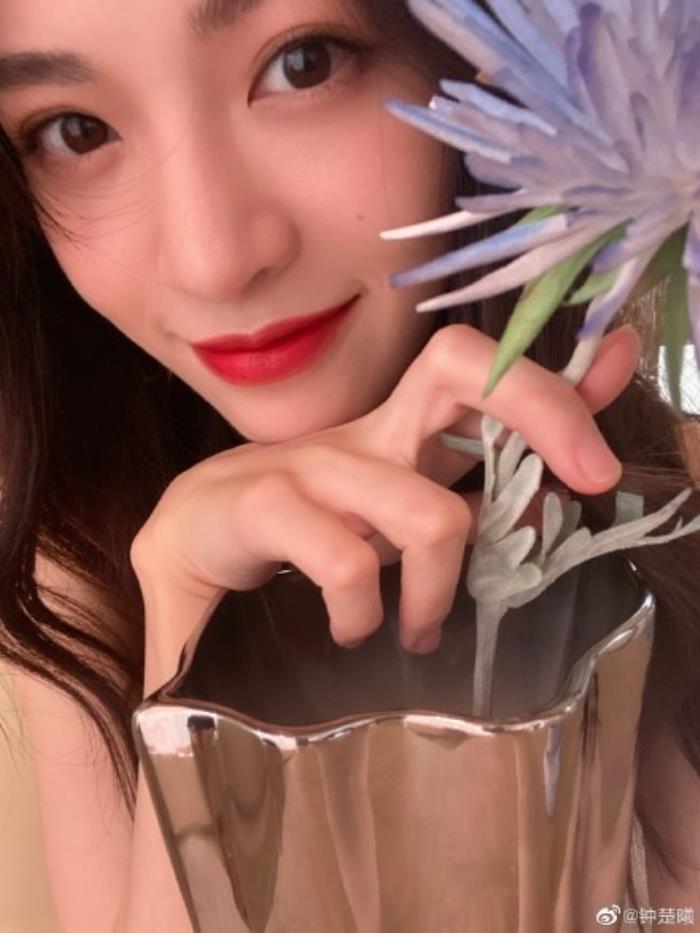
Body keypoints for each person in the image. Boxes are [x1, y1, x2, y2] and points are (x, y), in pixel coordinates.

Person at [0, 0, 698, 929]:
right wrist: (187, 636)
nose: (213, 261)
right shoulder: (81, 576)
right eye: (75, 131)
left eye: (304, 63)